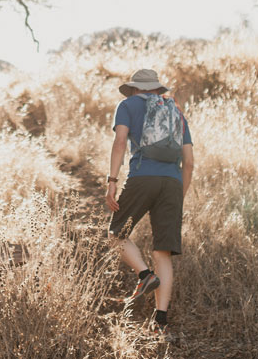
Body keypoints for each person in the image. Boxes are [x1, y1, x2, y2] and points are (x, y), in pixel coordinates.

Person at [105, 68, 194, 340]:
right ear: (157, 90)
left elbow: (120, 142)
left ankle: (144, 276)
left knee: (116, 234)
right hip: (172, 183)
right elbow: (189, 161)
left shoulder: (127, 105)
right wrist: (180, 193)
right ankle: (161, 322)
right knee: (162, 253)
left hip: (143, 177)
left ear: (133, 89)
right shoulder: (176, 112)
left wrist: (112, 181)